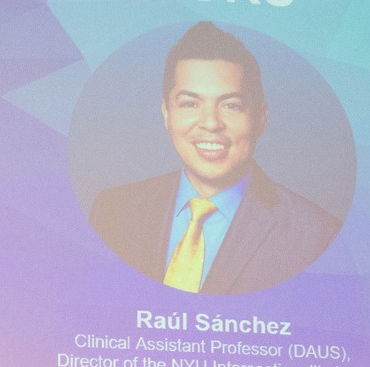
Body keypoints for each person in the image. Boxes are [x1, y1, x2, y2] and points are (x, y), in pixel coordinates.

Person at [88, 21, 341, 294]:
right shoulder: (113, 212)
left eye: (231, 105)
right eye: (190, 103)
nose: (210, 123)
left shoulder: (316, 235)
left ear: (260, 118)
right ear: (166, 113)